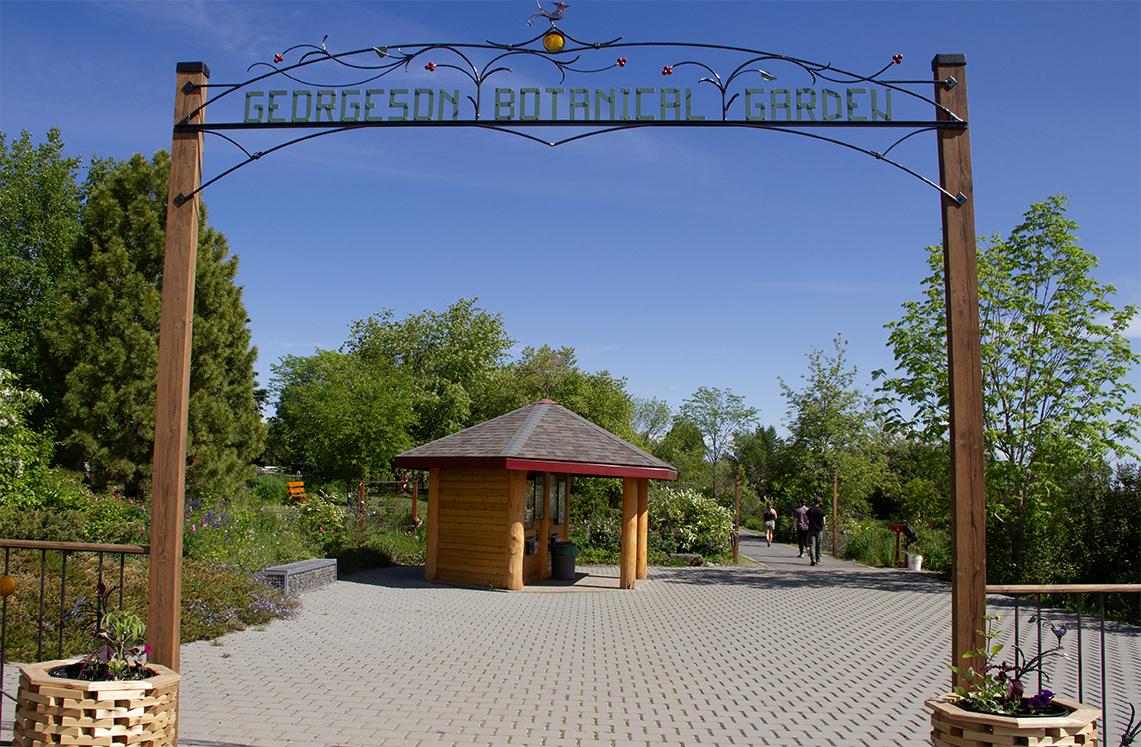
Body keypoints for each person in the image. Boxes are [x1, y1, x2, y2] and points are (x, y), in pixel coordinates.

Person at [806, 496, 827, 566]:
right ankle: (818, 560)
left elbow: (807, 520)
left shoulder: (810, 510)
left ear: (813, 502)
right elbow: (824, 522)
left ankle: (812, 559)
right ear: (820, 502)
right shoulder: (821, 511)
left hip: (811, 529)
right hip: (819, 530)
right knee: (818, 545)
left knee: (811, 544)